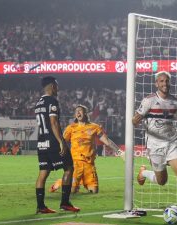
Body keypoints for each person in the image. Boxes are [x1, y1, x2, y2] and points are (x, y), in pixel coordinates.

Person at [132, 71, 177, 220]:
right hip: (155, 146)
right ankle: (144, 173)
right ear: (157, 83)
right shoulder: (149, 100)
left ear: (170, 83)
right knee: (162, 181)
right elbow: (135, 119)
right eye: (161, 81)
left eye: (167, 81)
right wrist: (136, 119)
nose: (164, 84)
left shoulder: (175, 102)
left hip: (171, 142)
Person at [49, 105, 124, 194]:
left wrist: (120, 152)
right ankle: (60, 182)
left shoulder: (94, 127)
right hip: (75, 163)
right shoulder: (71, 128)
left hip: (89, 164)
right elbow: (62, 142)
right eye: (76, 111)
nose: (78, 113)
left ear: (85, 113)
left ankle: (78, 182)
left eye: (80, 111)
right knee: (72, 191)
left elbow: (107, 141)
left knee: (94, 191)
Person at [35, 76, 79, 214]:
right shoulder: (52, 101)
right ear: (53, 86)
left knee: (43, 172)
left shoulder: (38, 103)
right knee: (68, 168)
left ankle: (41, 206)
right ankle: (65, 203)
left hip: (41, 142)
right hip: (53, 141)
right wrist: (61, 142)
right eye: (57, 85)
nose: (58, 88)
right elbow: (53, 122)